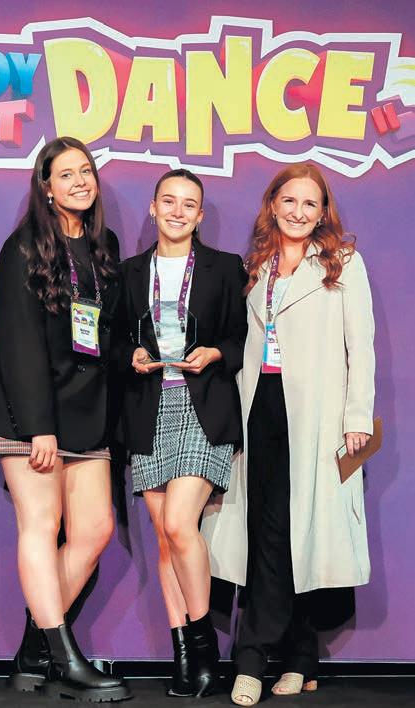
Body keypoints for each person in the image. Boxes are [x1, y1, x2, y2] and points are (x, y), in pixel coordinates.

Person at [203, 163, 375, 705]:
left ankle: (255, 658)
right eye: (290, 201)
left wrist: (357, 417)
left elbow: (361, 345)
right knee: (268, 531)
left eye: (310, 203)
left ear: (323, 212)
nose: (299, 212)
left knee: (296, 531)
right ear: (272, 205)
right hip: (260, 410)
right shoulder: (257, 266)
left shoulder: (343, 262)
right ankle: (296, 657)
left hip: (318, 416)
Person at [0, 137, 131, 703]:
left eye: (85, 171)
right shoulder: (22, 248)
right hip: (29, 413)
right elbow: (18, 343)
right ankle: (65, 659)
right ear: (45, 187)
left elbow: (103, 333)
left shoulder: (104, 246)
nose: (80, 182)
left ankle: (32, 652)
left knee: (94, 530)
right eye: (66, 174)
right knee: (41, 525)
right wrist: (39, 426)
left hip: (86, 410)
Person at [118, 168, 247, 697]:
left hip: (204, 407)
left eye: (188, 204)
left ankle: (205, 649)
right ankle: (186, 660)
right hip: (148, 408)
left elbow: (240, 338)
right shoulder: (128, 272)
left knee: (178, 522)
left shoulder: (224, 267)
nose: (177, 211)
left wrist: (214, 352)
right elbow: (111, 339)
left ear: (199, 215)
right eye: (168, 201)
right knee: (165, 540)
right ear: (153, 208)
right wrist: (130, 353)